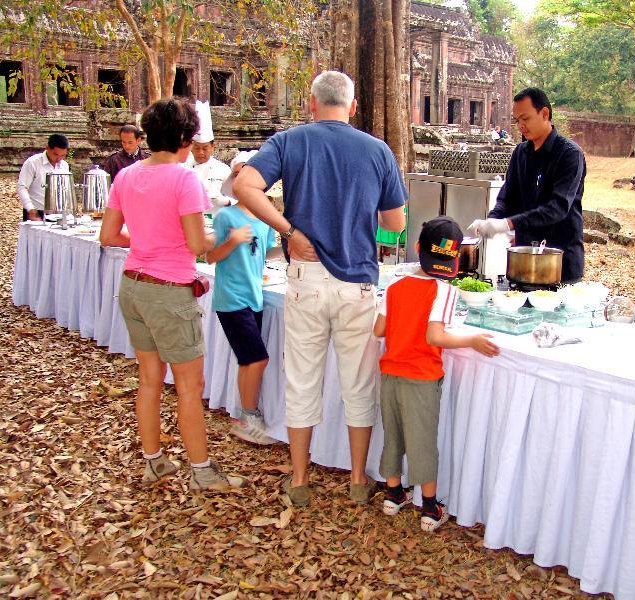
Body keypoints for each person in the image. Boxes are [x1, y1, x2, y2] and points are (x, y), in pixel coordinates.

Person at [234, 70, 407, 507]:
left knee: (303, 382)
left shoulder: (290, 141)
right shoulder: (377, 150)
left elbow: (244, 186)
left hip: (306, 278)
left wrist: (289, 230)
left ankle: (298, 479)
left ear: (311, 105)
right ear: (352, 107)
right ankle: (355, 480)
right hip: (358, 283)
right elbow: (396, 224)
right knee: (358, 385)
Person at [99, 97, 246, 492]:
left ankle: (154, 461)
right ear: (184, 138)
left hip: (133, 285)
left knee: (149, 378)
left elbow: (109, 235)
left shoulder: (127, 176)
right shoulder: (184, 179)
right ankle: (201, 470)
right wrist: (230, 236)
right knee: (188, 385)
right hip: (167, 291)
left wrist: (148, 242)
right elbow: (200, 245)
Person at [374, 216, 499, 532]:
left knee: (394, 434)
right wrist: (471, 340)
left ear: (417, 248)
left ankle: (393, 494)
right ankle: (429, 508)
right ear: (453, 258)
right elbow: (435, 337)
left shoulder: (395, 285)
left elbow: (379, 330)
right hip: (422, 376)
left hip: (390, 374)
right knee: (422, 440)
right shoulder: (444, 291)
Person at [469, 88, 586, 283]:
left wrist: (508, 223)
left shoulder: (569, 154)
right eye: (517, 120)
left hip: (560, 259)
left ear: (545, 113)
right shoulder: (520, 153)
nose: (521, 125)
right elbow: (507, 197)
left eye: (526, 118)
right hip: (523, 256)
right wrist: (492, 220)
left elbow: (557, 208)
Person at [207, 150, 282, 446]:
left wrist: (289, 247)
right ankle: (247, 417)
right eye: (238, 173)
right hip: (232, 296)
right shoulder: (226, 215)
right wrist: (233, 240)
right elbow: (210, 256)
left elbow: (266, 253)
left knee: (248, 360)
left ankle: (246, 417)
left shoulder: (264, 218)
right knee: (258, 358)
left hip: (254, 296)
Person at [186, 100, 234, 213]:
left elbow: (237, 199)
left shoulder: (223, 170)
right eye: (197, 148)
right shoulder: (183, 167)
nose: (201, 152)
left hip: (216, 221)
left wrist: (226, 201)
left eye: (205, 148)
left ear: (213, 147)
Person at [17, 133, 70, 221]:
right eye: (56, 155)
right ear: (47, 148)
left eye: (63, 155)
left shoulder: (64, 165)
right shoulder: (33, 163)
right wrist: (30, 209)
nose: (59, 159)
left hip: (58, 213)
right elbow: (22, 187)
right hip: (36, 212)